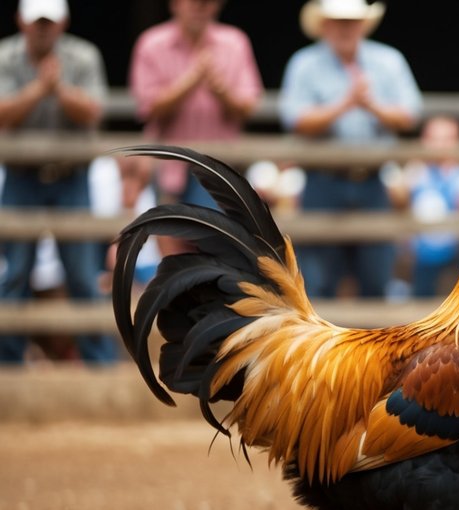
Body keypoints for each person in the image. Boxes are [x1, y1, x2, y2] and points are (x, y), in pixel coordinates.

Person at [279, 0, 422, 299]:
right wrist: (345, 104)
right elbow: (295, 119)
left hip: (373, 180)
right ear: (324, 26)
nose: (346, 28)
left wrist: (371, 105)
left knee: (376, 278)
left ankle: (374, 346)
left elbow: (410, 115)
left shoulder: (388, 60)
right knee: (317, 282)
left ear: (363, 25)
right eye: (338, 20)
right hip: (322, 181)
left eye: (351, 20)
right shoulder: (304, 63)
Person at [0, 0, 115, 364]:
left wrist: (57, 88)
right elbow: (2, 115)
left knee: (83, 275)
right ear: (21, 21)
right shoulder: (5, 55)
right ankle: (8, 368)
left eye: (48, 22)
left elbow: (94, 113)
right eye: (37, 22)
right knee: (14, 274)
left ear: (63, 22)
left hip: (71, 176)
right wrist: (42, 88)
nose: (43, 28)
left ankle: (101, 370)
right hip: (21, 176)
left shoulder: (83, 55)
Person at [128, 0, 263, 211]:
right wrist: (190, 81)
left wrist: (222, 92)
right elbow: (147, 108)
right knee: (171, 238)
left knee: (214, 241)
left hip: (219, 170)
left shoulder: (235, 42)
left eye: (207, 2)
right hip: (167, 167)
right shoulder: (151, 43)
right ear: (174, 4)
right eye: (193, 1)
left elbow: (249, 108)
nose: (200, 7)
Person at [389, 115, 459, 298]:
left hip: (454, 255)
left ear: (458, 143)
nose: (440, 146)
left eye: (447, 140)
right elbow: (397, 192)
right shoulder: (416, 171)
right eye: (434, 139)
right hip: (417, 259)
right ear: (423, 141)